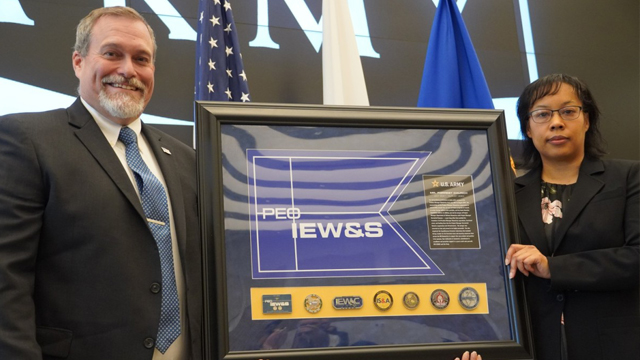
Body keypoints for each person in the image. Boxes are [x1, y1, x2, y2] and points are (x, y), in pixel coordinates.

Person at [0, 7, 201, 360]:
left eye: (142, 59)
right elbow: (6, 281)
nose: (128, 70)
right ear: (78, 62)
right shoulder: (27, 141)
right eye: (112, 53)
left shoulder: (187, 161)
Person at [505, 74, 639, 359]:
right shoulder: (508, 194)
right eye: (542, 114)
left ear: (587, 120)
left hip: (615, 344)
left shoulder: (628, 178)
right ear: (527, 128)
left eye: (568, 111)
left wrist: (553, 267)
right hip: (534, 346)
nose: (556, 122)